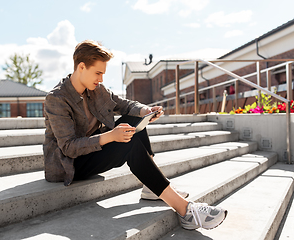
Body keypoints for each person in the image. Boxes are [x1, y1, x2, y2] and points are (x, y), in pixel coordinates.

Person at [43, 40, 227, 230]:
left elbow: (124, 104)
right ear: (81, 67)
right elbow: (69, 147)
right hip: (68, 164)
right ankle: (186, 211)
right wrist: (111, 136)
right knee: (128, 143)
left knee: (134, 123)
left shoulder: (96, 90)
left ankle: (151, 187)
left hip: (89, 152)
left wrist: (145, 111)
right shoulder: (56, 99)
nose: (101, 79)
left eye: (103, 74)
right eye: (98, 73)